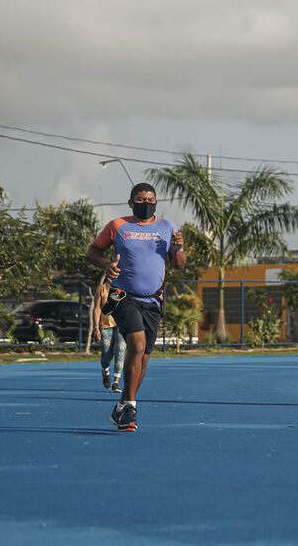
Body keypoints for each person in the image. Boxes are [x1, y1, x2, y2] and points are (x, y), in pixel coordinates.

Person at [87, 182, 186, 432]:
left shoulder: (167, 227)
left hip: (154, 300)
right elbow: (93, 250)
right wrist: (106, 264)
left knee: (142, 359)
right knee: (137, 345)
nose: (146, 203)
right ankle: (131, 406)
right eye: (140, 200)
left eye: (150, 199)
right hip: (122, 296)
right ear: (131, 203)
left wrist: (177, 249)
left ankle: (121, 407)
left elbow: (179, 265)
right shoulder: (118, 226)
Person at [93, 280, 126, 392]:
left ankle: (116, 382)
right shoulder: (101, 289)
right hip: (106, 325)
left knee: (120, 350)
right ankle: (105, 370)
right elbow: (97, 308)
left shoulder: (124, 287)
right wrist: (96, 327)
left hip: (121, 324)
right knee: (107, 352)